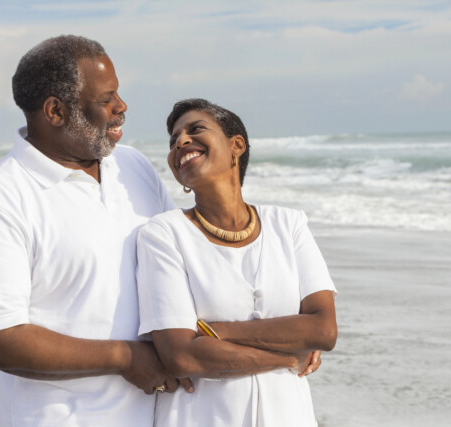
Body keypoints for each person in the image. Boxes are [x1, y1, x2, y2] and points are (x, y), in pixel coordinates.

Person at [0, 35, 189, 426]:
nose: (122, 107)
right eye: (106, 99)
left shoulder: (133, 167)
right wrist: (124, 357)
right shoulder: (0, 202)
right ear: (55, 111)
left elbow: (182, 263)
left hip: (159, 416)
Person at [136, 98, 338, 426]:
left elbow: (324, 330)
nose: (181, 142)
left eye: (195, 129)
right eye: (173, 141)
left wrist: (214, 332)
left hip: (288, 414)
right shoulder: (163, 234)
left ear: (236, 146)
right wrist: (289, 355)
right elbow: (180, 355)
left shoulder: (289, 225)